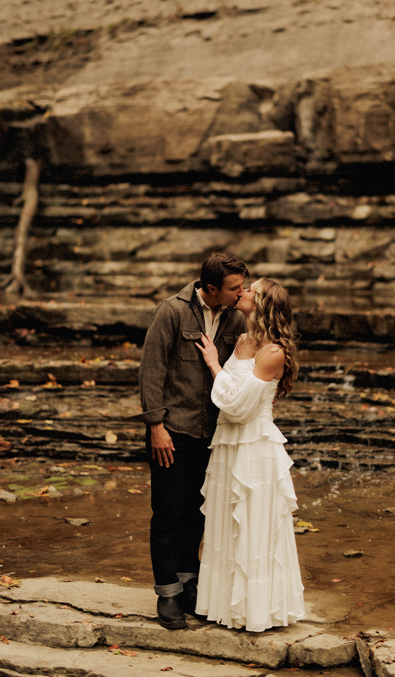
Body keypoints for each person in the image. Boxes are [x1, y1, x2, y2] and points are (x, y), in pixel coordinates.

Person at [135, 253, 248, 630]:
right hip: (172, 431)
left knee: (197, 512)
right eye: (235, 288)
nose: (241, 293)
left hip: (211, 433)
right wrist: (156, 426)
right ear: (211, 288)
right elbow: (152, 370)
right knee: (168, 511)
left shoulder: (235, 318)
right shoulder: (171, 312)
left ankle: (188, 584)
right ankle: (167, 593)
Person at [190, 277, 307, 632]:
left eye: (250, 290)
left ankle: (256, 611)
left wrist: (214, 364)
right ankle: (222, 607)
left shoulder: (273, 353)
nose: (241, 292)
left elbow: (239, 407)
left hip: (254, 445)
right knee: (226, 522)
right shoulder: (242, 339)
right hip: (228, 443)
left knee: (252, 525)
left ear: (263, 304)